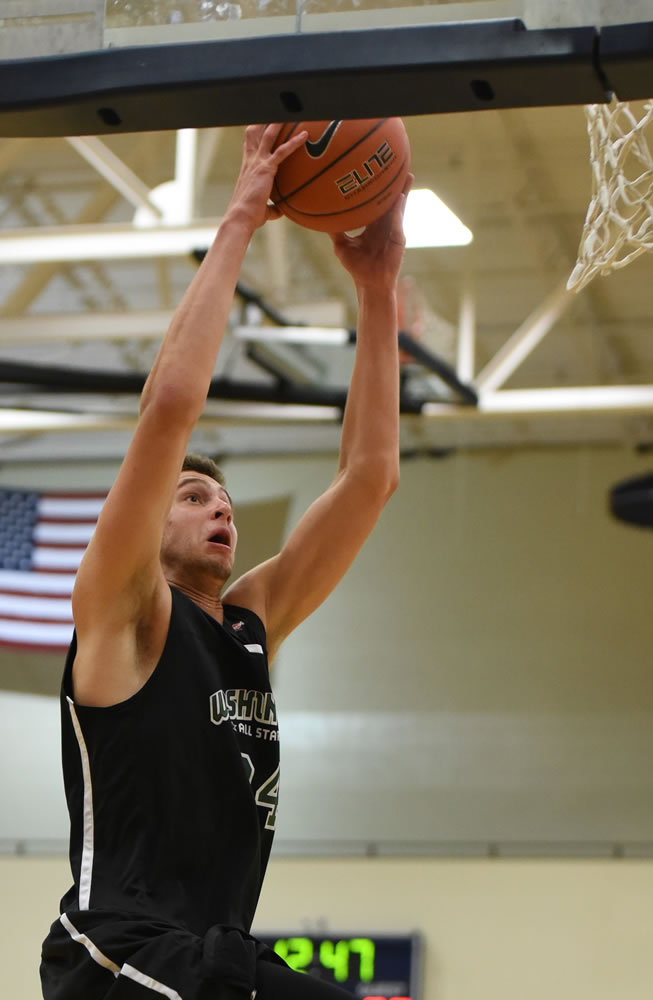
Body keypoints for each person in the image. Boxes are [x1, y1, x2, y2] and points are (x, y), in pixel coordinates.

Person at [40, 122, 412, 1000]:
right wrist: (242, 214)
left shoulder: (249, 624)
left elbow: (370, 478)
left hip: (214, 955)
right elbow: (169, 405)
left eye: (227, 502)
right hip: (115, 956)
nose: (220, 509)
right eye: (193, 496)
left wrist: (377, 288)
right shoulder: (123, 615)